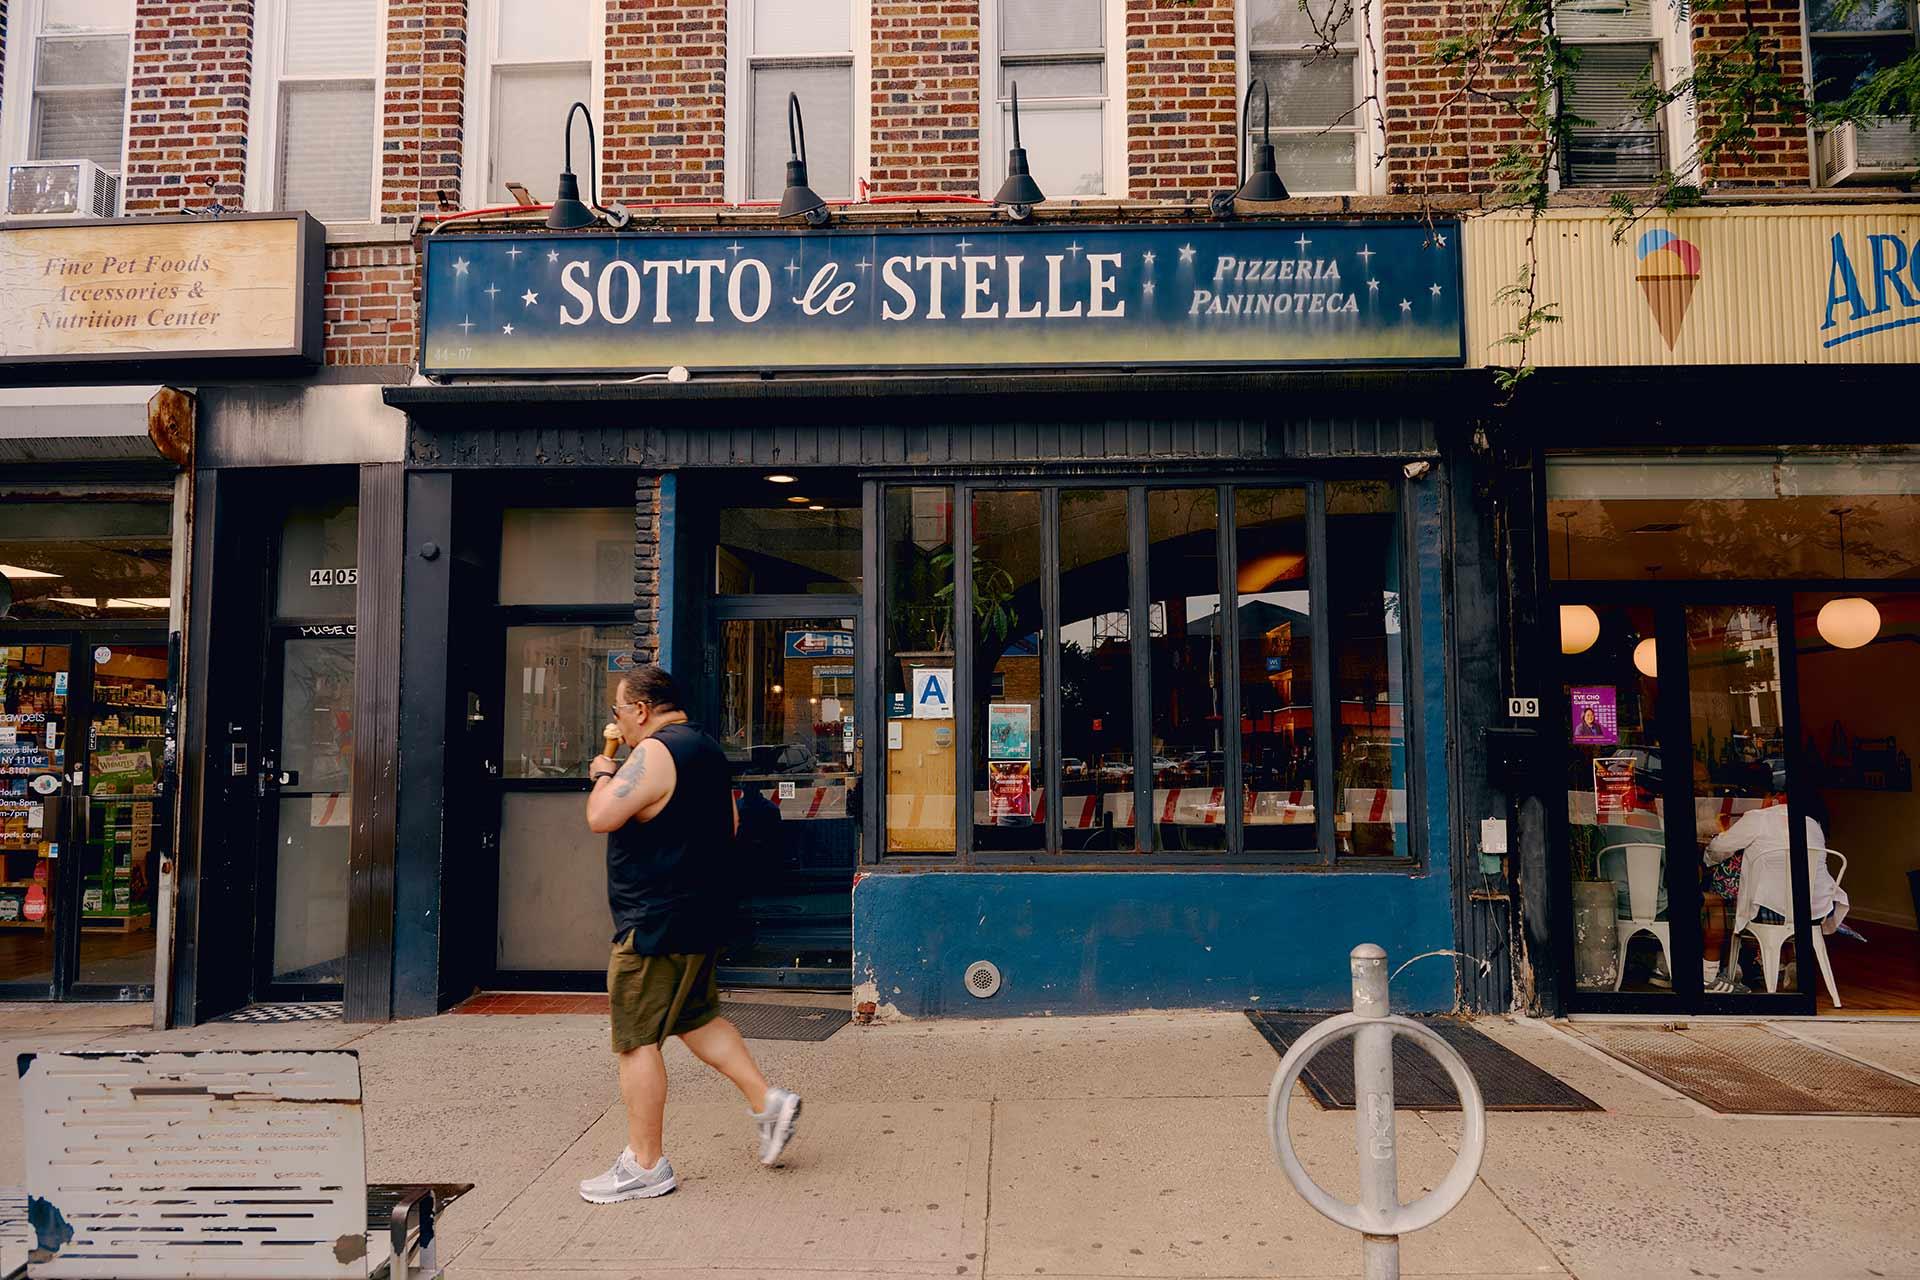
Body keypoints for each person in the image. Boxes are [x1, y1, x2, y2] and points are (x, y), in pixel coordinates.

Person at [577, 665, 801, 1204]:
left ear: (640, 709)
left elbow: (601, 817)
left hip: (654, 922)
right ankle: (768, 1102)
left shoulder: (653, 753)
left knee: (636, 1042)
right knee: (697, 1019)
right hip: (699, 915)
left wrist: (604, 772)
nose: (617, 721)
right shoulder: (705, 749)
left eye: (617, 710)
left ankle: (646, 1165)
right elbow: (731, 826)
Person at [1700, 792, 1849, 994]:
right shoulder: (1813, 824)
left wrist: (1707, 861)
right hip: (1814, 909)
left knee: (1722, 893)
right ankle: (1788, 964)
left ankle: (1720, 969)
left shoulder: (1759, 818)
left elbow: (1720, 847)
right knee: (1772, 883)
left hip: (1771, 910)